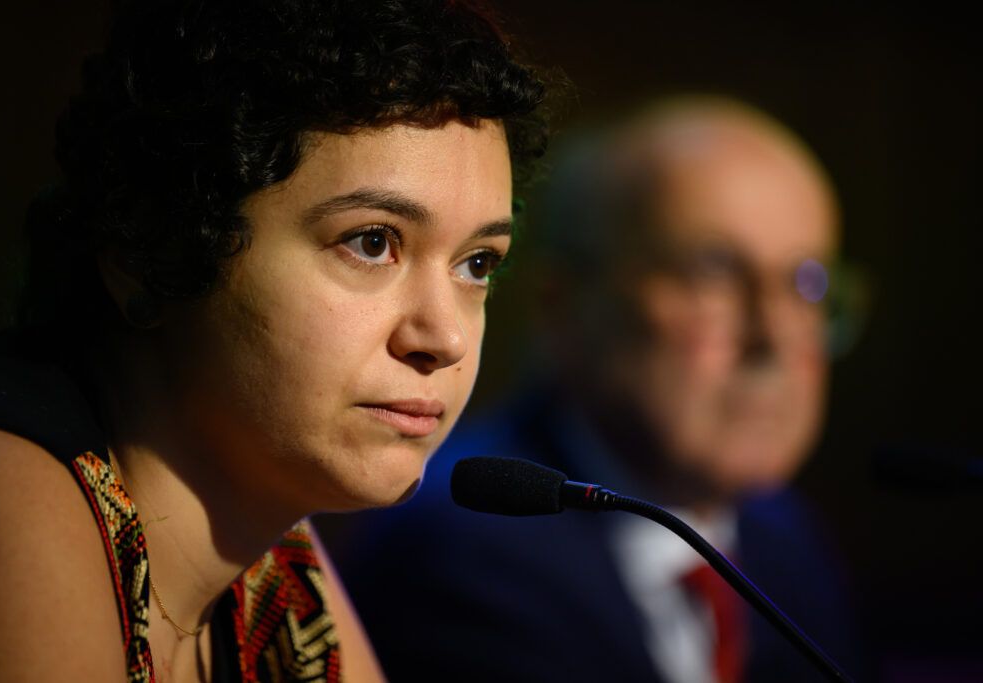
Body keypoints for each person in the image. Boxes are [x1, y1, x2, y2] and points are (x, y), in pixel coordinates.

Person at [0, 1, 548, 681]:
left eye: (477, 263)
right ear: (153, 247)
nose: (443, 336)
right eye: (372, 242)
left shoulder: (276, 565)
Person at [328, 96, 862, 682]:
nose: (772, 337)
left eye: (805, 283)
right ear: (567, 307)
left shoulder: (786, 541)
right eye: (714, 272)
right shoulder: (463, 552)